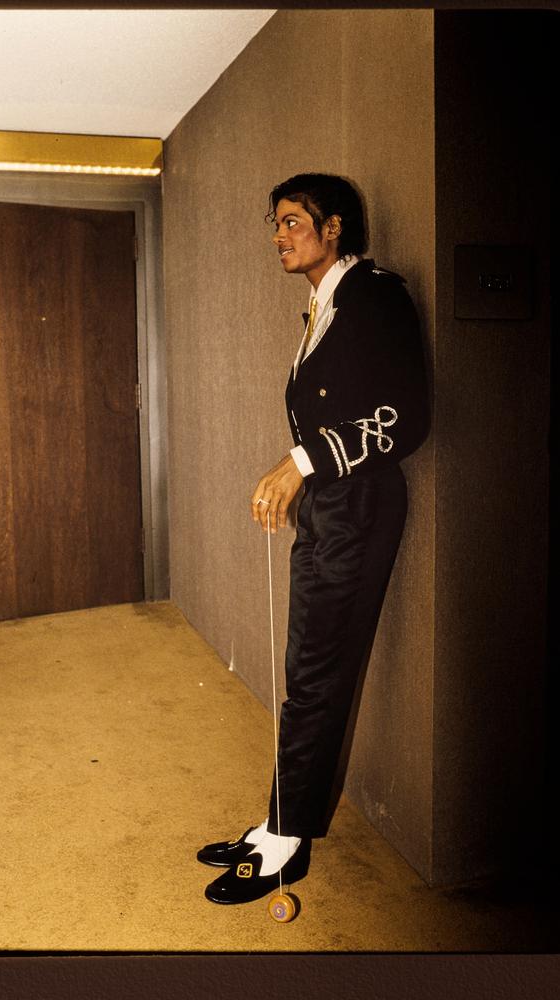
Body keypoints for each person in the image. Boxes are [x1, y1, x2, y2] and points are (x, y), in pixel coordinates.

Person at [198, 173, 430, 905]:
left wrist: (302, 462)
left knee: (319, 672)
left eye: (293, 222)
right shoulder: (325, 302)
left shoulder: (375, 294)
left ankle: (288, 840)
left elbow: (407, 417)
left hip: (359, 504)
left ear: (334, 227)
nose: (279, 236)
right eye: (276, 224)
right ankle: (278, 822)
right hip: (331, 505)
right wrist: (307, 477)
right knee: (307, 668)